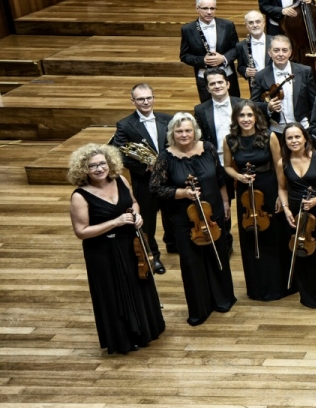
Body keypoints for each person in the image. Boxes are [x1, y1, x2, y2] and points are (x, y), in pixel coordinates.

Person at [68, 144, 165, 354]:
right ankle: (124, 339)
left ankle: (147, 330)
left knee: (138, 284)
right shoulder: (79, 196)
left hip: (130, 244)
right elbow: (81, 231)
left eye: (102, 163)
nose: (99, 169)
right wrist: (115, 222)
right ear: (83, 169)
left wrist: (137, 215)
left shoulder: (120, 179)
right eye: (92, 166)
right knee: (113, 293)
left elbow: (134, 203)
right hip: (102, 251)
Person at [150, 112, 236, 326]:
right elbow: (155, 188)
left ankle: (223, 299)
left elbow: (219, 177)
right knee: (192, 262)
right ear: (172, 133)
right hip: (185, 218)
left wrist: (225, 201)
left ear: (195, 131)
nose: (184, 134)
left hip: (213, 213)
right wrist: (181, 193)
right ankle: (200, 308)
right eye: (179, 131)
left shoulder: (207, 148)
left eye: (188, 130)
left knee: (217, 255)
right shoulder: (166, 157)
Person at [223, 102, 289, 301]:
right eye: (242, 115)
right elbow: (227, 166)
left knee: (274, 234)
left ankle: (279, 285)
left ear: (256, 117)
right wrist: (239, 176)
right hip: (246, 192)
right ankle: (257, 286)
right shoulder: (229, 140)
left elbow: (279, 165)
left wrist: (280, 194)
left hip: (268, 187)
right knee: (251, 236)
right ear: (236, 118)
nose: (246, 119)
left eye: (249, 115)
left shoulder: (269, 136)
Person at [111, 83, 171, 271]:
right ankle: (153, 256)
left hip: (170, 178)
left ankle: (174, 244)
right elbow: (118, 154)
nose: (145, 102)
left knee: (173, 215)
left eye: (148, 98)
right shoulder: (125, 125)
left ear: (154, 98)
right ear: (133, 101)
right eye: (140, 99)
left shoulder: (168, 119)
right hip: (145, 181)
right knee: (148, 222)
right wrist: (146, 167)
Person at [277, 123, 316, 309]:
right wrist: (286, 208)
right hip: (296, 213)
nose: (294, 141)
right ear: (285, 141)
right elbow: (282, 188)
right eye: (289, 138)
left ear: (305, 139)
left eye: (297, 137)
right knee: (302, 253)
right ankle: (309, 296)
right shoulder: (282, 163)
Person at [180, 0, 239, 102]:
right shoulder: (188, 29)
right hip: (204, 78)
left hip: (227, 75)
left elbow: (236, 49)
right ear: (197, 8)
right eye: (205, 8)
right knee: (208, 108)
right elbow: (184, 55)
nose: (209, 12)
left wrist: (223, 58)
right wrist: (203, 60)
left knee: (234, 106)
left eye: (212, 8)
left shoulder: (228, 25)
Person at [251, 35, 316, 132]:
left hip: (303, 128)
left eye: (284, 50)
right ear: (269, 52)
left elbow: (314, 101)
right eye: (276, 50)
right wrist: (268, 107)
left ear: (290, 52)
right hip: (276, 130)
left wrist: (313, 125)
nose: (280, 54)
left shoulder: (305, 71)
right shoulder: (260, 76)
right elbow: (253, 104)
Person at [233, 11, 273, 87]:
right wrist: (246, 71)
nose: (255, 25)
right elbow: (240, 67)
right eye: (251, 23)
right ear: (246, 25)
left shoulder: (275, 41)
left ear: (264, 23)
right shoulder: (241, 45)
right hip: (255, 85)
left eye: (258, 21)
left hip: (274, 83)